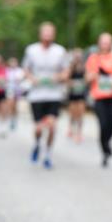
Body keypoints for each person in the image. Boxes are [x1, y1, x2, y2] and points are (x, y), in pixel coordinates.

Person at [23, 22, 69, 169]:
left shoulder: (60, 51)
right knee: (38, 128)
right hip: (37, 95)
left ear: (54, 35)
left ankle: (48, 154)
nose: (48, 35)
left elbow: (66, 71)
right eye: (45, 32)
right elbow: (26, 70)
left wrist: (58, 77)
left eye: (50, 32)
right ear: (40, 34)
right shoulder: (31, 50)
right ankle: (37, 144)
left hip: (54, 95)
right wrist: (32, 79)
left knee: (52, 126)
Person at [85, 32, 112, 167]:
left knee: (111, 126)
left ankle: (107, 143)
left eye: (108, 42)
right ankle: (105, 150)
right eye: (103, 42)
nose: (105, 45)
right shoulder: (93, 58)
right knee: (103, 125)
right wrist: (93, 76)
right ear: (99, 43)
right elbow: (87, 78)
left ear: (111, 44)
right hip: (99, 97)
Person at [66, 49, 88, 143]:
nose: (78, 57)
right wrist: (72, 83)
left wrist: (83, 82)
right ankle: (71, 129)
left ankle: (79, 132)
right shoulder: (71, 67)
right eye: (76, 56)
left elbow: (87, 79)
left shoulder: (84, 67)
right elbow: (67, 79)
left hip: (81, 93)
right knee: (73, 113)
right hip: (73, 94)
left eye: (79, 56)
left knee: (81, 114)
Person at [4, 56, 24, 132]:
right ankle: (10, 119)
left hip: (17, 90)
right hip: (10, 89)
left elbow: (20, 79)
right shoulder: (7, 71)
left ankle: (14, 118)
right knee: (10, 104)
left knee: (15, 106)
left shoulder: (19, 71)